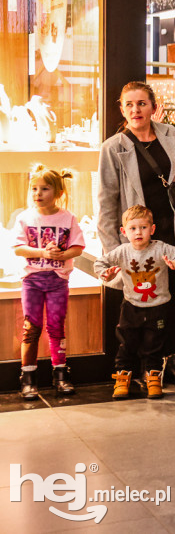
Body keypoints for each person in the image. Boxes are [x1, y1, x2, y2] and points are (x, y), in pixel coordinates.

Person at [98, 81, 175, 390]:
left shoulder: (169, 134)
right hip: (137, 241)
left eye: (141, 103)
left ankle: (172, 363)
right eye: (129, 104)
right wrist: (113, 249)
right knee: (139, 309)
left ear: (154, 106)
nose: (135, 110)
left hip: (172, 233)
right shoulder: (113, 147)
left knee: (172, 303)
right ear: (122, 108)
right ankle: (140, 368)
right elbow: (106, 201)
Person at [95, 205, 175, 400]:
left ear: (152, 229)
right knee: (126, 345)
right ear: (124, 232)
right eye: (132, 228)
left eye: (143, 228)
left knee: (154, 346)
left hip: (158, 308)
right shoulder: (122, 252)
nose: (138, 232)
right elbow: (100, 263)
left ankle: (153, 379)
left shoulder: (160, 248)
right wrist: (104, 273)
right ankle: (123, 379)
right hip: (131, 307)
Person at [13, 167, 85, 399]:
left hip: (57, 281)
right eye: (34, 188)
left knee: (56, 327)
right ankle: (28, 377)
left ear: (58, 191)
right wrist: (43, 252)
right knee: (31, 329)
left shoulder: (68, 218)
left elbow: (77, 246)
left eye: (45, 188)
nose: (38, 193)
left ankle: (60, 375)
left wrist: (62, 255)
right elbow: (18, 248)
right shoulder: (24, 217)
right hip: (32, 281)